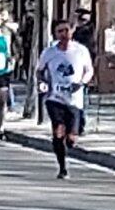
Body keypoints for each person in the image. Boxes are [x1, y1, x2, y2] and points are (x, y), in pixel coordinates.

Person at [35, 18, 96, 178]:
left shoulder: (81, 50)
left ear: (72, 31)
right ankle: (62, 168)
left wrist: (82, 82)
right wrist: (42, 82)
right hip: (54, 98)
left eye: (66, 30)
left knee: (71, 138)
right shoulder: (49, 52)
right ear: (55, 34)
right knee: (58, 131)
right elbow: (40, 71)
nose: (63, 34)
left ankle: (72, 138)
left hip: (75, 100)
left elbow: (89, 70)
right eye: (60, 31)